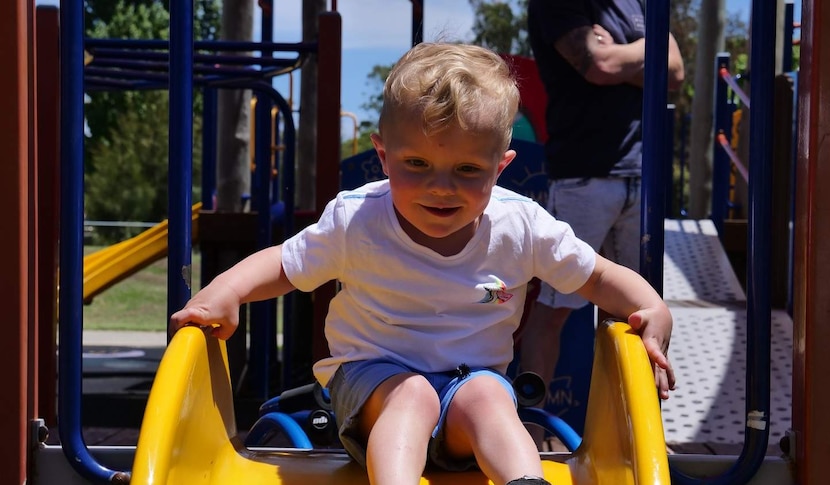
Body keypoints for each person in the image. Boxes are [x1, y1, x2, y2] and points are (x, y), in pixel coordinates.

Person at [170, 42, 673, 485]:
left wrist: (650, 306)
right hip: (373, 391)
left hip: (465, 403)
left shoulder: (522, 226)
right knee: (411, 395)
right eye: (417, 165)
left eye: (467, 170)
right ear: (383, 156)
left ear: (501, 168)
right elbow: (285, 264)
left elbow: (599, 275)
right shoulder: (358, 219)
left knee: (491, 398)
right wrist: (226, 292)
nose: (441, 186)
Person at [518, 0, 684, 445]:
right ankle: (529, 433)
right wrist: (644, 53)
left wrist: (624, 57)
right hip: (583, 176)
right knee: (552, 310)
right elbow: (598, 64)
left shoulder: (638, 4)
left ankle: (636, 437)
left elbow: (673, 71)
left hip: (641, 173)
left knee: (640, 310)